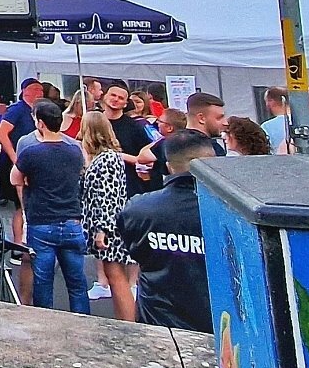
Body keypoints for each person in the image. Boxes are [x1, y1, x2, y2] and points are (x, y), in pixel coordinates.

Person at [116, 131, 215, 333]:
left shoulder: (139, 209)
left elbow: (135, 251)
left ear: (169, 167)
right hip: (216, 325)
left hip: (159, 323)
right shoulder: (229, 213)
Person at [11, 100, 89, 313]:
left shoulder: (31, 152)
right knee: (77, 283)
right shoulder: (75, 149)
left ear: (40, 123)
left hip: (42, 222)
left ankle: (46, 323)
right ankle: (84, 323)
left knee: (43, 282)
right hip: (72, 220)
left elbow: (14, 179)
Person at [80, 111, 136, 320]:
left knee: (117, 277)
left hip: (110, 226)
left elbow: (107, 196)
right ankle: (123, 320)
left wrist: (102, 230)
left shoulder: (107, 159)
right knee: (114, 277)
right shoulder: (106, 158)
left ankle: (128, 322)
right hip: (110, 224)